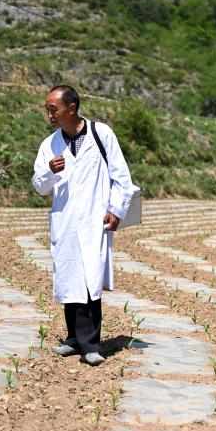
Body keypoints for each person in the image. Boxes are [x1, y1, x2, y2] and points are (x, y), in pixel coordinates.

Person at [32, 86, 134, 365]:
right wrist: (49, 172)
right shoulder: (50, 144)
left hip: (93, 219)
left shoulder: (101, 134)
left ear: (72, 108)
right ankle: (73, 339)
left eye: (53, 109)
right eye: (47, 109)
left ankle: (91, 344)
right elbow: (39, 185)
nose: (49, 114)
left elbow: (121, 177)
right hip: (65, 220)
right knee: (70, 278)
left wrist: (116, 210)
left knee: (90, 279)